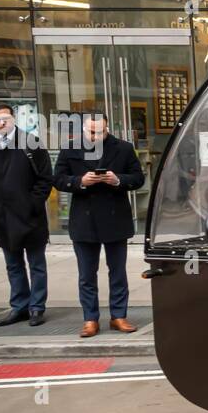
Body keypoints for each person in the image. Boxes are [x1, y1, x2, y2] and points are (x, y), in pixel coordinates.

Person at [53, 113, 145, 338]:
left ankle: (118, 316)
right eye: (91, 132)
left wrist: (117, 180)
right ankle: (90, 319)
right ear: (84, 130)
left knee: (118, 272)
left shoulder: (123, 148)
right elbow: (57, 179)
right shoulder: (70, 148)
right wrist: (80, 182)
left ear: (107, 129)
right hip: (84, 219)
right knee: (86, 274)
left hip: (115, 217)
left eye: (101, 132)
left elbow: (138, 178)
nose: (96, 136)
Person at [0, 103, 53, 326]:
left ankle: (37, 307)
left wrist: (33, 204)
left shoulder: (31, 142)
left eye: (5, 118)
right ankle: (19, 306)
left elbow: (45, 177)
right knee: (13, 264)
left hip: (30, 216)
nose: (1, 122)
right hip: (3, 216)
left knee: (37, 264)